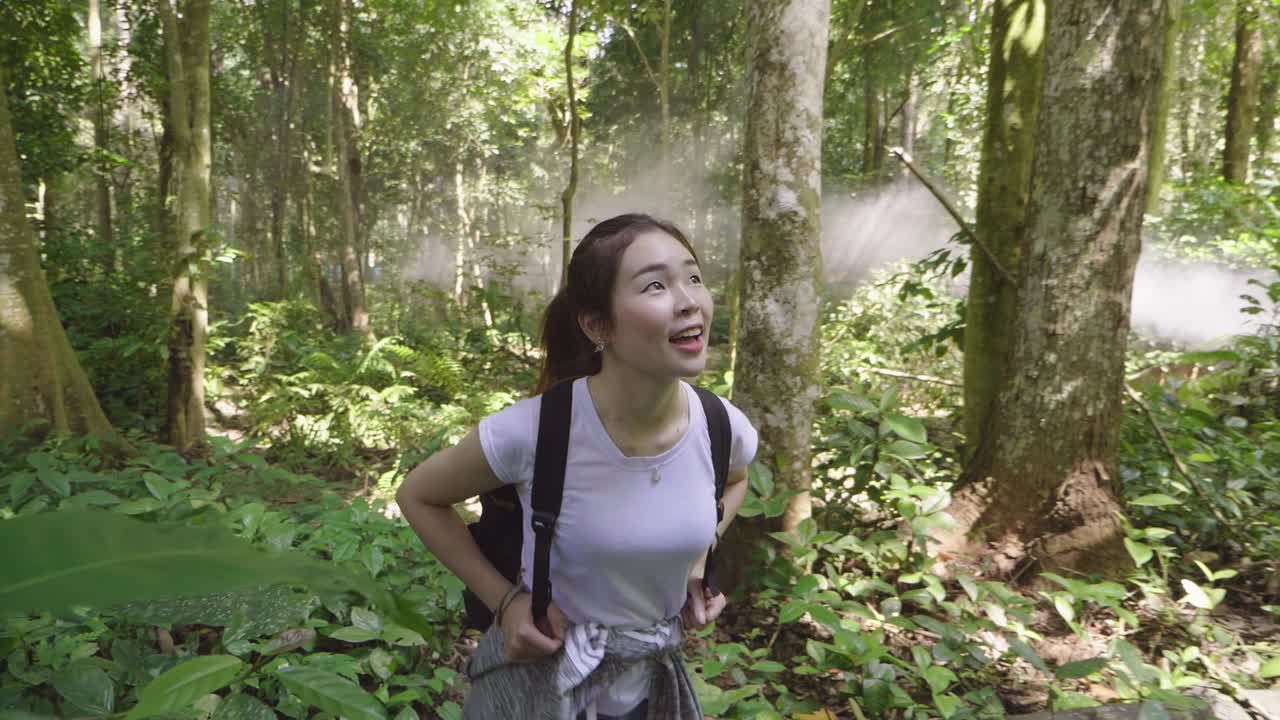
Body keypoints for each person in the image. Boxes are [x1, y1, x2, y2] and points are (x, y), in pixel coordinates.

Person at [396, 214, 759, 720]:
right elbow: (419, 496)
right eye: (655, 284)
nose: (689, 300)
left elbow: (734, 482)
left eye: (693, 277)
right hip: (540, 689)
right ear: (597, 325)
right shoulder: (534, 432)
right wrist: (505, 603)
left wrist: (699, 556)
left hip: (648, 692)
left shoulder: (722, 427)